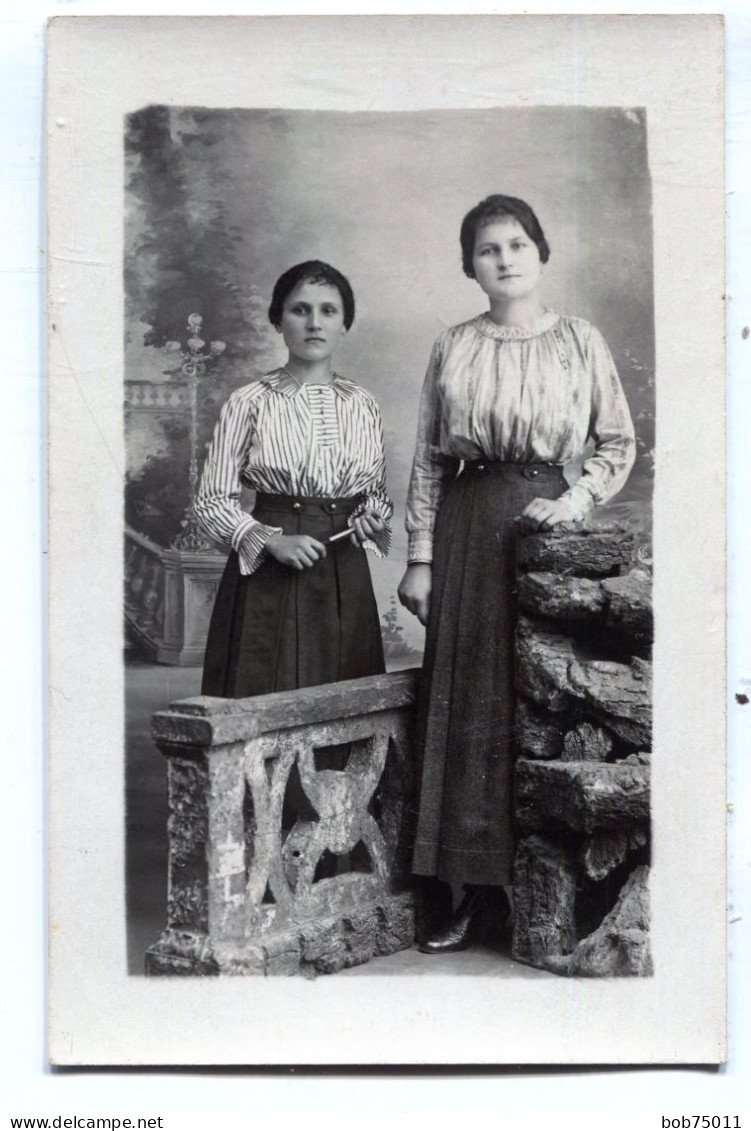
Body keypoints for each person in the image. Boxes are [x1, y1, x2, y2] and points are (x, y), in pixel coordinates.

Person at [398, 194, 636, 953]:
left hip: (540, 525)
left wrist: (571, 502)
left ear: (540, 252)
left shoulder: (577, 340)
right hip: (466, 525)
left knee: (528, 699)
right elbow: (429, 458)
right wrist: (420, 558)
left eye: (515, 244)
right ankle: (466, 889)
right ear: (469, 265)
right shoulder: (454, 344)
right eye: (486, 249)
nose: (503, 259)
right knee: (463, 702)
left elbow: (615, 442)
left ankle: (531, 884)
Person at [196, 260, 392, 699]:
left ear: (345, 324)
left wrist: (370, 518)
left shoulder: (364, 404)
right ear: (278, 320)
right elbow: (211, 502)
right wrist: (270, 541)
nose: (314, 323)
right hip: (271, 571)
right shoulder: (248, 402)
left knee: (345, 696)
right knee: (266, 691)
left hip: (343, 569)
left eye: (328, 311)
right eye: (300, 310)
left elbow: (375, 493)